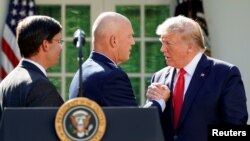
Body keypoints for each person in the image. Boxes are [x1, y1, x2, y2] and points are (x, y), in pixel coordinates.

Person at [146, 15, 248, 141]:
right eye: (162, 43)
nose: (162, 49)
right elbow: (150, 127)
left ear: (190, 47)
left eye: (168, 43)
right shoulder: (159, 77)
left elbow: (236, 129)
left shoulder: (225, 73)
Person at [69, 12, 169, 111]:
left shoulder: (83, 71)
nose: (133, 42)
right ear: (114, 41)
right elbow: (137, 122)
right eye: (129, 36)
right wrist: (159, 101)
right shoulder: (111, 77)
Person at [0, 15, 64, 120]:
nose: (61, 47)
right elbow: (44, 133)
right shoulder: (40, 86)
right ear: (45, 45)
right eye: (59, 41)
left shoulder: (7, 81)